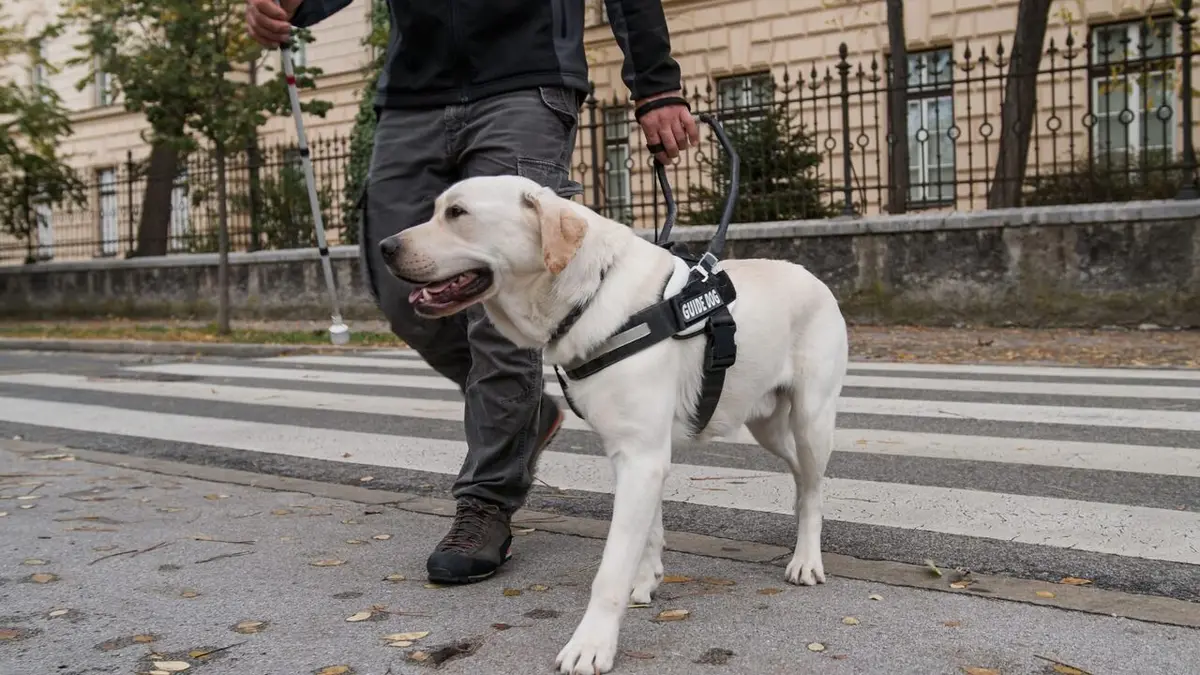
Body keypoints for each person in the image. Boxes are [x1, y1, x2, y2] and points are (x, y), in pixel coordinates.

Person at [244, 0, 697, 585]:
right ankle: (521, 414)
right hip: (414, 88)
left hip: (526, 76)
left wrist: (656, 85)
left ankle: (486, 500)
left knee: (501, 296)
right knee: (405, 288)